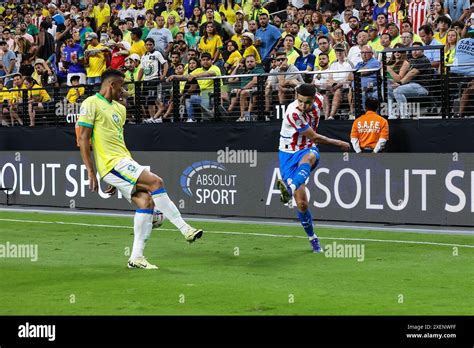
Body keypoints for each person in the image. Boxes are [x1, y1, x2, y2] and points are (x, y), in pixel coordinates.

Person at [78, 69, 204, 270]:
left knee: (146, 202)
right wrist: (92, 172)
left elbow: (117, 141)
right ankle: (184, 228)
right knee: (156, 182)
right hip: (111, 163)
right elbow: (83, 138)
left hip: (122, 162)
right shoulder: (90, 103)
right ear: (111, 84)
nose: (124, 90)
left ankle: (136, 257)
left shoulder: (120, 109)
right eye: (122, 86)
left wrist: (119, 178)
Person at [277, 83, 351, 253]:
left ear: (313, 99)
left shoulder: (318, 99)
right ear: (297, 97)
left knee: (310, 156)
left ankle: (289, 189)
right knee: (302, 203)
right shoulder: (293, 113)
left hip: (307, 149)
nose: (303, 106)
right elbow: (315, 137)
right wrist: (339, 142)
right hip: (288, 155)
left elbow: (313, 88)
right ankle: (313, 238)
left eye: (307, 103)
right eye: (301, 101)